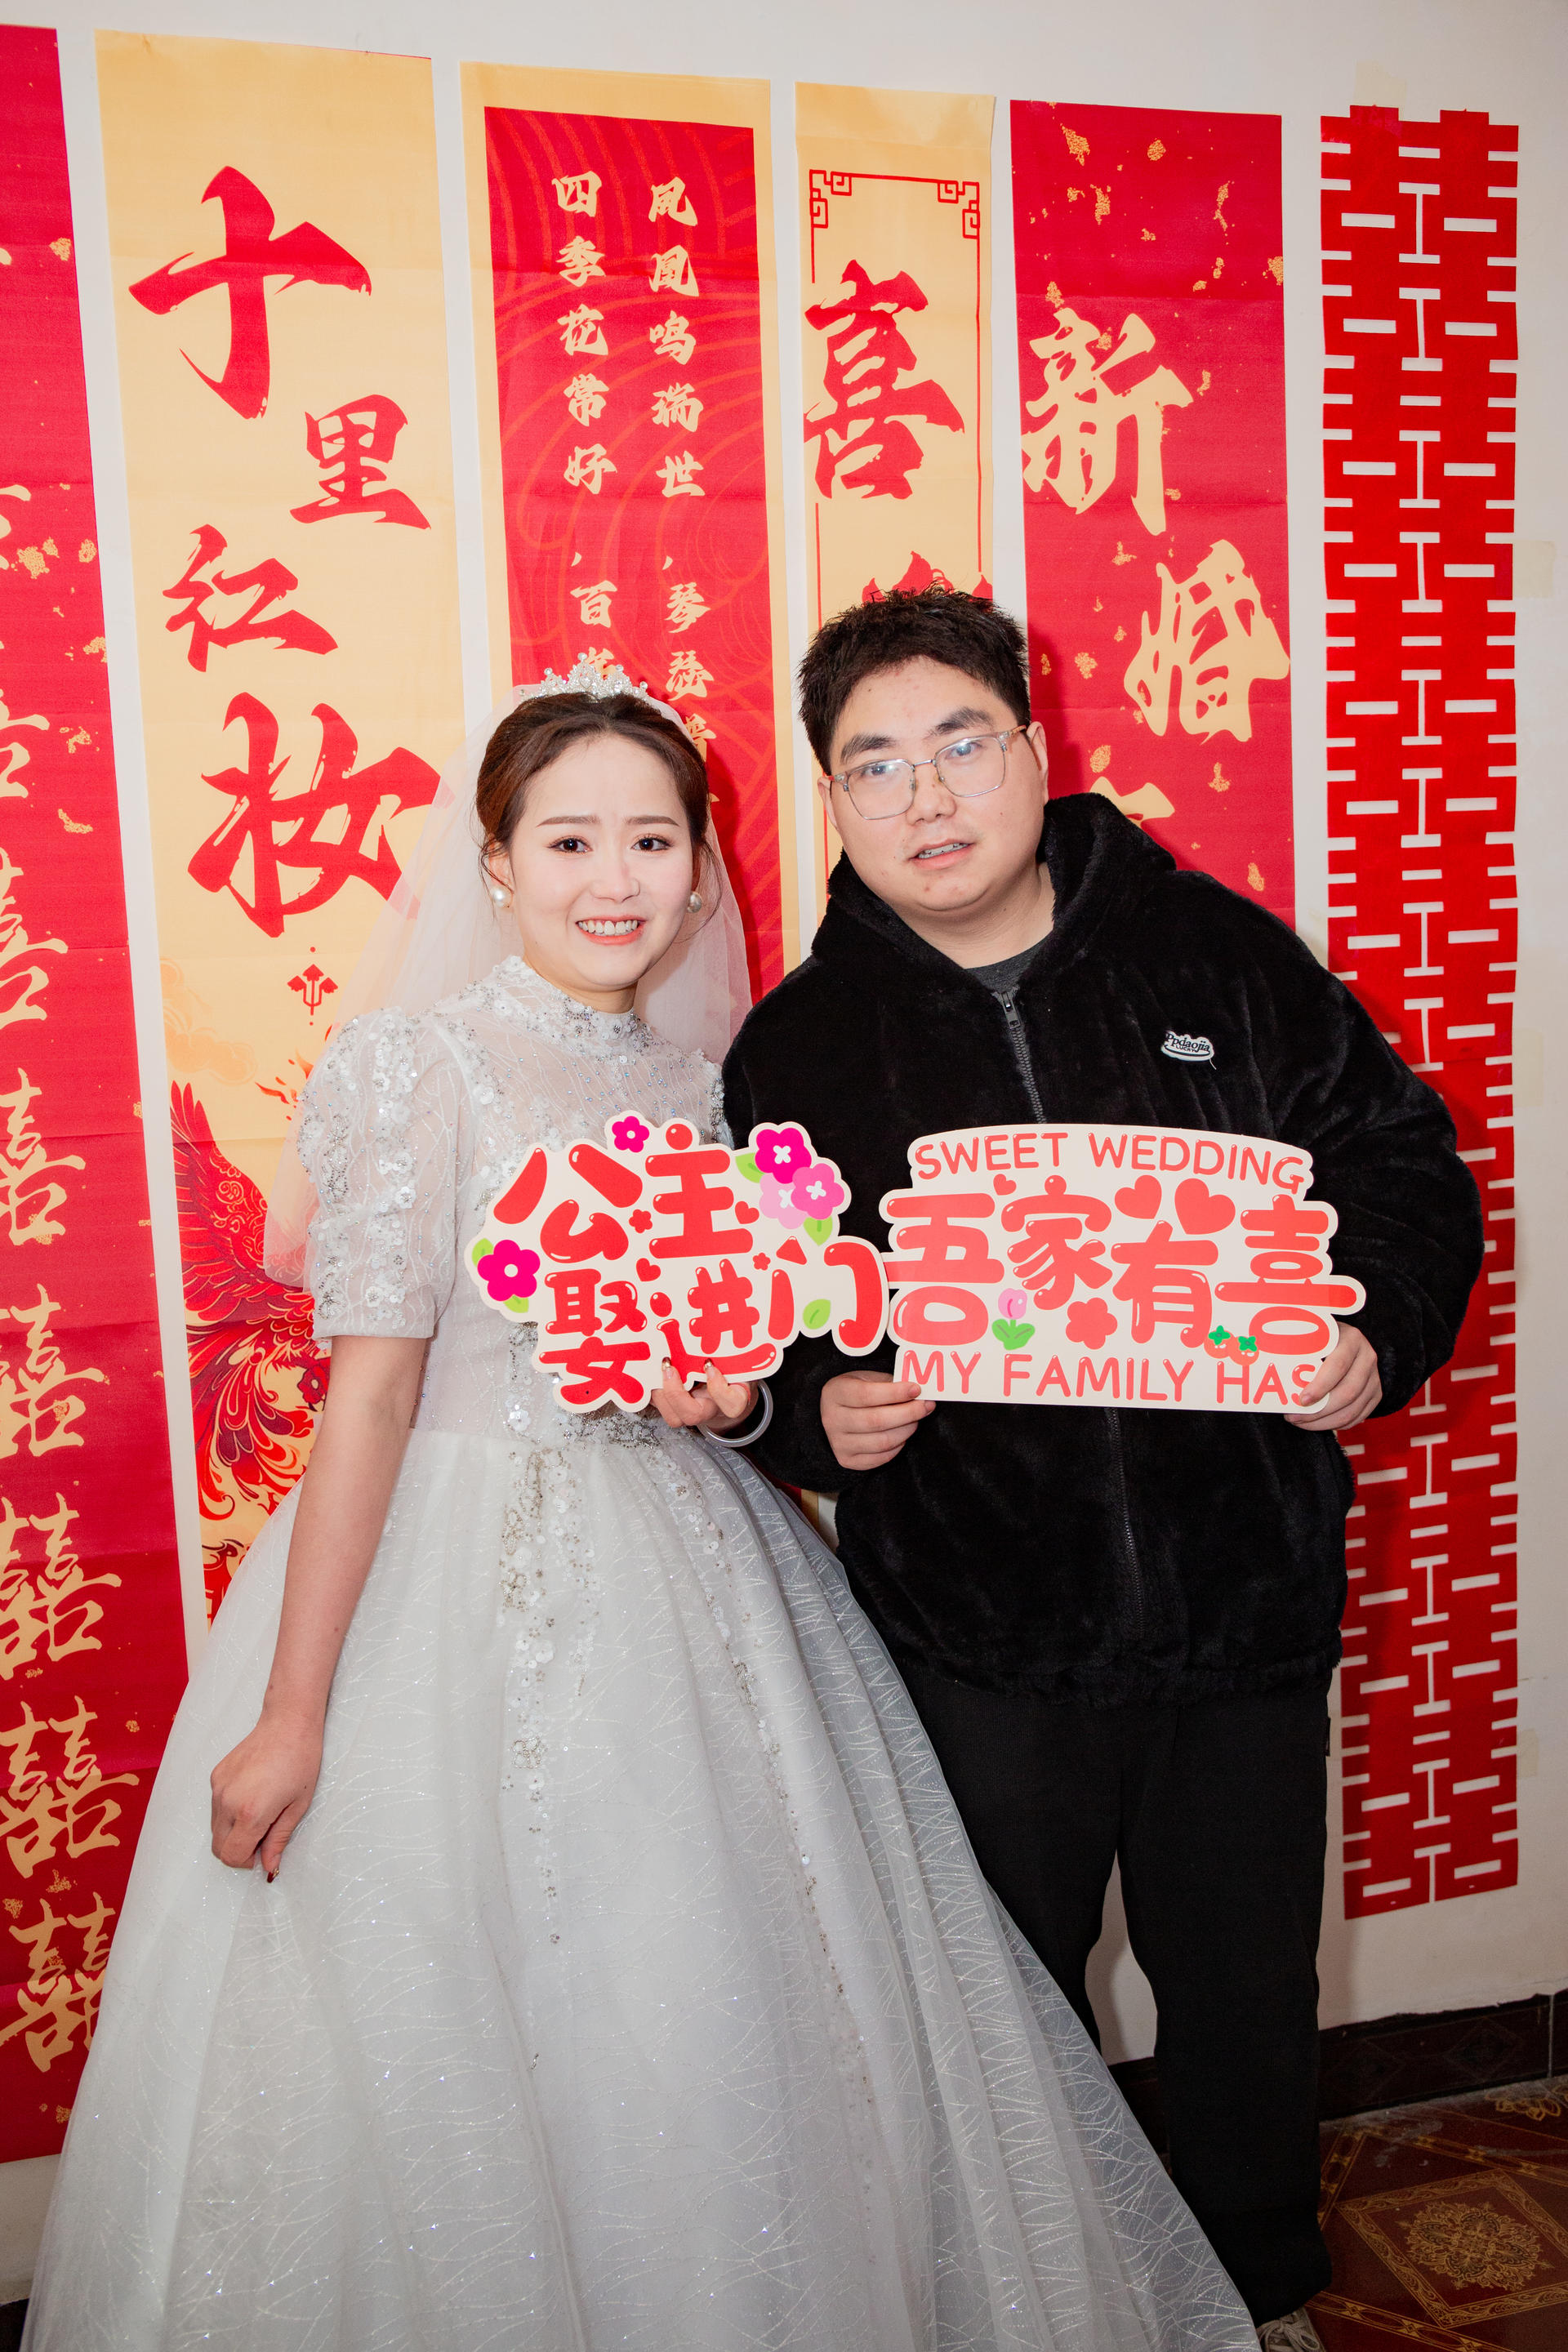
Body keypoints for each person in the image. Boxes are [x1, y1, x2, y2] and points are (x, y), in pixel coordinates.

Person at [23, 660, 1255, 2352]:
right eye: (570, 840)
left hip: (692, 1585)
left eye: (653, 841)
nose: (616, 880)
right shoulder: (415, 1067)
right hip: (446, 1586)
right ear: (497, 861)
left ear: (699, 867)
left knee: (709, 2004)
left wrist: (734, 1397)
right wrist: (297, 1710)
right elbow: (369, 1395)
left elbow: (736, 1372)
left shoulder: (706, 1089)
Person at [721, 591, 1484, 2352]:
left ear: (1036, 746)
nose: (927, 796)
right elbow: (758, 1317)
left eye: (960, 743)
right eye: (875, 766)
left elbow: (1400, 1163)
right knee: (1003, 2005)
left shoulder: (1214, 956)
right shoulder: (800, 1047)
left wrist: (1373, 1333)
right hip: (980, 1633)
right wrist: (815, 1412)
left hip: (1242, 1602)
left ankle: (1258, 2295)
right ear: (834, 801)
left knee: (1245, 1990)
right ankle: (1042, 2308)